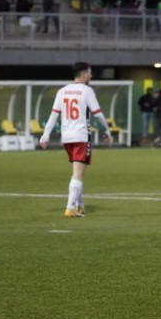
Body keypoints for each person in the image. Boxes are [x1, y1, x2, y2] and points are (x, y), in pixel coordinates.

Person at [39, 62, 112, 217]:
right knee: (78, 174)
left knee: (78, 173)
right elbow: (97, 113)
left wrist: (45, 135)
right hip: (81, 136)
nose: (91, 76)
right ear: (84, 74)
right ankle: (70, 207)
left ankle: (78, 205)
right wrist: (106, 129)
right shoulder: (87, 91)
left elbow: (54, 115)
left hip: (67, 137)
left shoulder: (62, 91)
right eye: (90, 73)